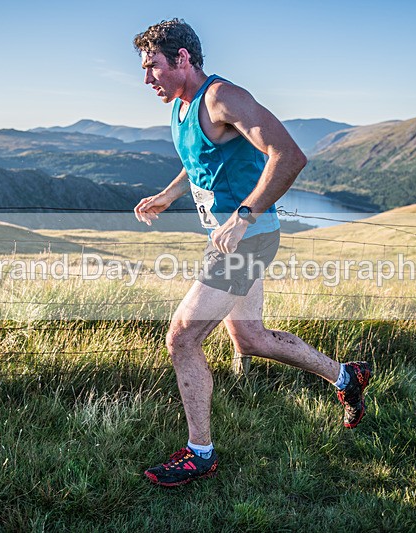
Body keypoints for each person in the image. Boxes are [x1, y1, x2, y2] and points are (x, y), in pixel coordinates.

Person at [132, 18, 371, 487]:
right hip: (231, 237)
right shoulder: (181, 109)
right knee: (251, 338)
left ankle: (200, 452)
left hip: (248, 237)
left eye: (152, 66)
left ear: (181, 58)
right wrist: (167, 195)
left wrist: (243, 217)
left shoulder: (222, 97)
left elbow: (289, 155)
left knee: (182, 337)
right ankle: (346, 377)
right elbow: (199, 164)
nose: (146, 79)